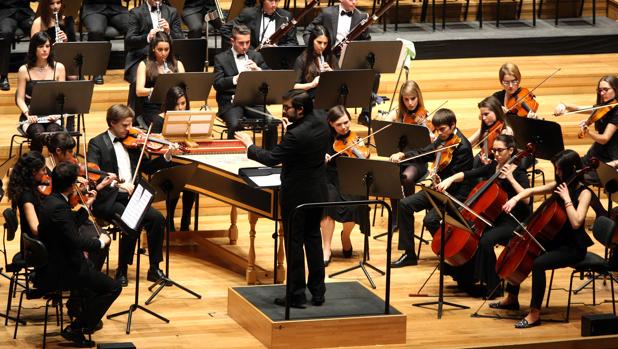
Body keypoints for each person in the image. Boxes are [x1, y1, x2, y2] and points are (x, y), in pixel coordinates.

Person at [235, 90, 329, 308]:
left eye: (287, 108)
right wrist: (291, 128)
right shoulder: (321, 120)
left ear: (300, 110)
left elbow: (271, 158)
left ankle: (296, 295)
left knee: (294, 243)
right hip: (318, 192)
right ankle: (318, 292)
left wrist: (250, 145)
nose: (283, 111)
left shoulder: (296, 135)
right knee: (313, 239)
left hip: (297, 195)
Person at [494, 149, 594, 328]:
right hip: (555, 239)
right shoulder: (560, 184)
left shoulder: (584, 193)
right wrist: (515, 199)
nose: (557, 173)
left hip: (573, 247)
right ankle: (511, 298)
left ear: (571, 169)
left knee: (538, 263)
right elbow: (531, 191)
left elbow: (577, 222)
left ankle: (534, 314)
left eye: (559, 169)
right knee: (519, 248)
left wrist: (566, 199)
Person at [389, 109, 477, 293]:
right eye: (436, 130)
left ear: (453, 125)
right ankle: (409, 254)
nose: (439, 133)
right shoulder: (442, 140)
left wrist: (437, 182)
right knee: (405, 205)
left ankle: (450, 253)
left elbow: (460, 180)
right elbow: (425, 152)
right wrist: (404, 155)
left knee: (430, 219)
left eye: (442, 129)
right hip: (438, 189)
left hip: (455, 194)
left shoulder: (463, 148)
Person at [87, 104, 175, 287]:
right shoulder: (97, 143)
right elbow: (93, 174)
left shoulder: (134, 143)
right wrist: (118, 184)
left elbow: (147, 168)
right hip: (109, 199)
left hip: (133, 197)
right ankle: (122, 270)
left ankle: (154, 268)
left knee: (157, 219)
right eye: (125, 125)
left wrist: (166, 157)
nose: (130, 129)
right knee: (130, 222)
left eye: (130, 125)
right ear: (112, 123)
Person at [37, 162, 121, 347]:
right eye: (76, 182)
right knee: (113, 287)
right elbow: (75, 241)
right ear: (70, 185)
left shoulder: (51, 201)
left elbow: (68, 225)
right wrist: (101, 242)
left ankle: (84, 316)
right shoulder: (59, 207)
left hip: (56, 261)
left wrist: (86, 205)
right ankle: (78, 328)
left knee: (94, 282)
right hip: (63, 269)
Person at [436, 134, 530, 298]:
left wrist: (511, 178)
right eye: (494, 150)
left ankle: (494, 287)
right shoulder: (493, 166)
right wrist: (450, 179)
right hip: (491, 217)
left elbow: (528, 199)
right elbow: (469, 173)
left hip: (511, 220)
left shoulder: (519, 172)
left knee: (485, 240)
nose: (496, 154)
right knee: (469, 234)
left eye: (500, 150)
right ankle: (466, 278)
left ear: (511, 150)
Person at [46, 132, 116, 271]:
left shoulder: (68, 166)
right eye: (70, 152)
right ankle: (84, 277)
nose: (73, 156)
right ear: (58, 151)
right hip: (64, 220)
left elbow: (75, 199)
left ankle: (89, 273)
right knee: (96, 239)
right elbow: (60, 201)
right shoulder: (47, 172)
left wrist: (98, 187)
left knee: (103, 236)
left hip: (76, 214)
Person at [302, 0, 373, 125]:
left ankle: (365, 113)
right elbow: (308, 31)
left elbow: (366, 41)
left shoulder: (362, 16)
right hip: (330, 56)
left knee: (374, 74)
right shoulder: (327, 13)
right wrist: (315, 48)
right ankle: (335, 110)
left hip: (350, 58)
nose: (354, 2)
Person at [213, 24, 277, 149]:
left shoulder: (255, 56)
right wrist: (236, 79)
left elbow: (269, 76)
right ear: (232, 41)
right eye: (241, 43)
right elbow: (217, 84)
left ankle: (269, 157)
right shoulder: (220, 58)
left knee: (271, 122)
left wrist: (258, 70)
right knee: (235, 124)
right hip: (231, 103)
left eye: (247, 42)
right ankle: (232, 159)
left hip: (253, 102)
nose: (245, 47)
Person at [321, 105, 369, 266]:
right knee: (327, 206)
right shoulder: (324, 137)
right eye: (339, 125)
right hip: (329, 177)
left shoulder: (354, 137)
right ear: (331, 124)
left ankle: (345, 236)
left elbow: (363, 158)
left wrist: (358, 150)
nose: (344, 128)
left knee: (354, 207)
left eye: (346, 123)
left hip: (349, 176)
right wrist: (321, 157)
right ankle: (326, 248)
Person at [554, 75, 618, 186]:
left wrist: (588, 132)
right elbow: (580, 108)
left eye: (606, 90)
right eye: (600, 90)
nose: (602, 93)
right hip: (594, 155)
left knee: (576, 179)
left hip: (608, 160)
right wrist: (564, 106)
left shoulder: (616, 112)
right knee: (564, 168)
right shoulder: (603, 107)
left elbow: (604, 139)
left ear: (616, 89)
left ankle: (587, 201)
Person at [124, 0, 183, 109]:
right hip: (141, 57)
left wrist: (169, 31)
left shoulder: (172, 11)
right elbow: (129, 40)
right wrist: (147, 37)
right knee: (137, 79)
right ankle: (137, 115)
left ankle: (173, 108)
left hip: (165, 55)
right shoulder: (136, 12)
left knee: (177, 77)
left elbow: (181, 39)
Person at [15, 31, 66, 153]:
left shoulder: (59, 68)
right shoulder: (24, 70)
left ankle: (56, 168)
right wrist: (28, 114)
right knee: (38, 134)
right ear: (34, 49)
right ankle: (36, 166)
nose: (45, 50)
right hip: (31, 116)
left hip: (53, 116)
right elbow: (19, 99)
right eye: (41, 46)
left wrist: (57, 114)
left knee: (54, 134)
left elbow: (62, 98)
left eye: (47, 46)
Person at [161, 86, 196, 231]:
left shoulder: (192, 119)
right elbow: (157, 145)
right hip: (168, 161)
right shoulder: (160, 119)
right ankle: (169, 218)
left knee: (192, 182)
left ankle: (185, 219)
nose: (181, 108)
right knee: (175, 181)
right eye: (177, 104)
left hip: (185, 158)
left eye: (183, 103)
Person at [135, 31, 185, 131]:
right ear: (153, 48)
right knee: (162, 123)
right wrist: (156, 90)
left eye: (166, 49)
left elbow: (184, 89)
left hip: (173, 104)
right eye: (160, 50)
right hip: (153, 107)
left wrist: (174, 79)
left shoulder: (177, 64)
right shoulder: (144, 65)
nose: (163, 53)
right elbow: (139, 91)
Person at [80, 0, 130, 84]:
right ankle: (97, 70)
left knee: (132, 27)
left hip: (117, 8)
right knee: (96, 31)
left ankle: (131, 69)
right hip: (93, 9)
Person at [220, 0, 298, 49]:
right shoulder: (249, 14)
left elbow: (293, 43)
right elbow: (225, 29)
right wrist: (243, 47)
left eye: (277, 0)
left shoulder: (286, 16)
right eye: (270, 0)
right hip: (251, 58)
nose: (274, 4)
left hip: (275, 59)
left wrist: (277, 49)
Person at [7, 151, 47, 242]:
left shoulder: (28, 184)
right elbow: (36, 229)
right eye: (43, 170)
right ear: (33, 172)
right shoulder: (27, 198)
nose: (46, 173)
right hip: (36, 248)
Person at [467, 96, 514, 168]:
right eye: (482, 115)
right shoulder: (487, 127)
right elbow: (468, 143)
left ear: (496, 111)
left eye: (486, 114)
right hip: (483, 159)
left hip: (495, 166)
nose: (483, 118)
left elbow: (501, 161)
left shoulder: (505, 131)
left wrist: (488, 164)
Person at [292, 25, 337, 98]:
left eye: (325, 43)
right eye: (319, 42)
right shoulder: (302, 59)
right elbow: (293, 86)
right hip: (309, 98)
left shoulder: (331, 57)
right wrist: (312, 84)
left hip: (328, 96)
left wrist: (332, 74)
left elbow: (340, 82)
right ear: (312, 41)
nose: (322, 46)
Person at [0, 0, 35, 91]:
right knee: (5, 33)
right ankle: (3, 76)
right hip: (6, 12)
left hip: (25, 12)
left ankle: (37, 71)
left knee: (38, 29)